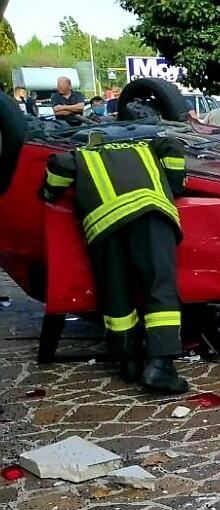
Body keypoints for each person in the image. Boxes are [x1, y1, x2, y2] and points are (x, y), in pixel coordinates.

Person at [40, 134, 191, 394]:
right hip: (149, 212)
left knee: (115, 293)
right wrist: (175, 186)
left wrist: (47, 192)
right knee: (159, 286)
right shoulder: (146, 144)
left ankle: (128, 362)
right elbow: (173, 147)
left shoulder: (82, 154)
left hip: (103, 225)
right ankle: (160, 366)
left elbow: (59, 165)